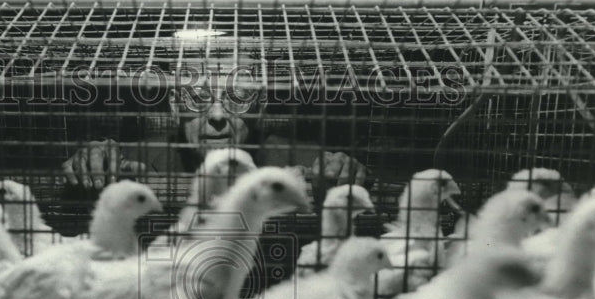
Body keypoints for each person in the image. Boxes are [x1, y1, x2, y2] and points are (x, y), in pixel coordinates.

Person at [60, 61, 368, 197]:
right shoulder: (133, 157)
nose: (217, 114)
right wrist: (91, 162)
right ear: (174, 105)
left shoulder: (305, 159)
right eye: (197, 97)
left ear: (260, 105)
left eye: (238, 97)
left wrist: (343, 171)